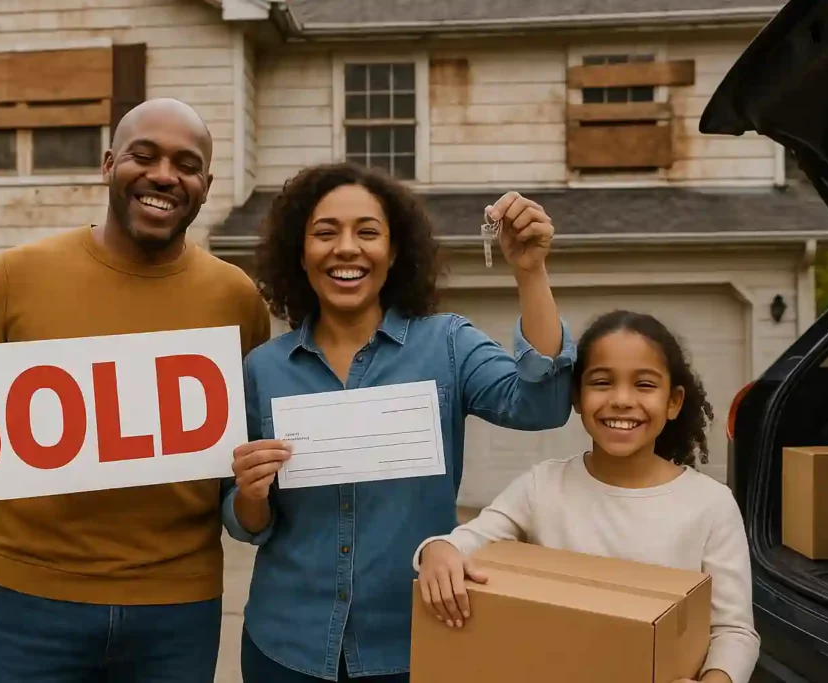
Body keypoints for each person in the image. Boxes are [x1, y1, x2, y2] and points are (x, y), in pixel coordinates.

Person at [0, 98, 273, 683]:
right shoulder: (15, 276)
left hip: (177, 609)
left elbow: (243, 447)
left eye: (186, 164)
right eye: (144, 154)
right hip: (26, 601)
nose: (164, 174)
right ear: (109, 164)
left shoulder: (237, 299)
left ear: (205, 186)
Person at [223, 161, 577, 682]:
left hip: (412, 645)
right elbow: (245, 522)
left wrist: (529, 271)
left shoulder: (448, 345)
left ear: (394, 252)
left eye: (368, 232)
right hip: (284, 647)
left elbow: (541, 405)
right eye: (325, 233)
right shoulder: (262, 369)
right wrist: (251, 496)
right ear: (300, 254)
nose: (346, 248)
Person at [414, 310, 761, 683]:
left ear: (673, 401)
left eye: (644, 385)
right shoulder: (543, 486)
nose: (622, 400)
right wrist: (436, 550)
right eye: (602, 382)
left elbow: (735, 631)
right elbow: (466, 542)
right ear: (576, 396)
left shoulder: (711, 504)